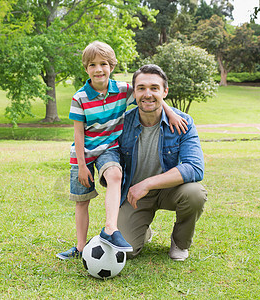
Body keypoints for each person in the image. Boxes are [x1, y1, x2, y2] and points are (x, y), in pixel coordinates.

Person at [56, 42, 188, 260]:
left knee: (115, 175)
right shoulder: (79, 98)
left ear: (112, 66)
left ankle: (110, 230)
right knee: (82, 202)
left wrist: (170, 113)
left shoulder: (124, 90)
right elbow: (78, 134)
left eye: (104, 64)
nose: (98, 69)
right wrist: (81, 165)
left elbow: (148, 95)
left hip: (109, 149)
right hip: (84, 154)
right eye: (92, 65)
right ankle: (80, 247)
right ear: (86, 68)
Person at [116, 64, 207, 261]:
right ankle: (142, 230)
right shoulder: (123, 123)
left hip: (170, 190)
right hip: (135, 196)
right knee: (126, 250)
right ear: (134, 93)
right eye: (141, 88)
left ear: (165, 91)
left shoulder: (183, 122)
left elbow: (195, 168)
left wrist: (148, 183)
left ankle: (180, 242)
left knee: (195, 193)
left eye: (154, 88)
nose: (147, 94)